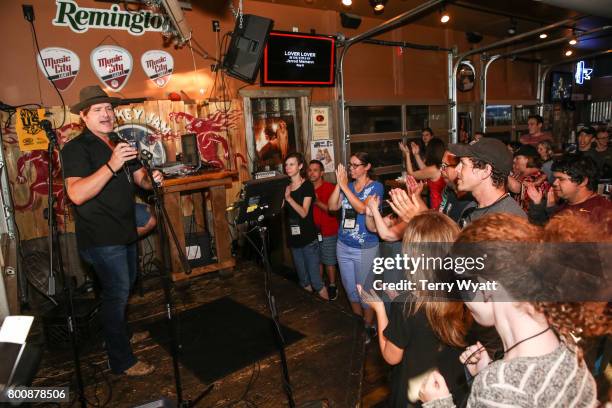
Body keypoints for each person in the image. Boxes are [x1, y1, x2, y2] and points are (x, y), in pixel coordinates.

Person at [419, 213, 602, 407]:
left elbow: (508, 393)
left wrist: (438, 403)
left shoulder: (499, 387)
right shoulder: (569, 347)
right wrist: (488, 370)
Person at [62, 85, 163, 376]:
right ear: (84, 116)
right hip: (101, 237)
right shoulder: (75, 149)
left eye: (108, 108)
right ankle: (121, 360)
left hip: (124, 229)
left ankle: (119, 332)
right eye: (98, 110)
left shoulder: (116, 140)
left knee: (123, 288)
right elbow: (77, 194)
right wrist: (111, 165)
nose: (106, 114)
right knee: (116, 293)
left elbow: (138, 177)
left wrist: (151, 180)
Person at [359, 212, 471, 408]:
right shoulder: (466, 293)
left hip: (417, 392)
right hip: (452, 386)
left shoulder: (408, 304)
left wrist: (379, 309)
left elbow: (391, 357)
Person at [328, 152, 383, 340]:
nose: (351, 168)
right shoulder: (347, 186)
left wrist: (344, 186)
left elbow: (362, 208)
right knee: (351, 290)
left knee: (365, 293)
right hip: (343, 245)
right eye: (350, 165)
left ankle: (369, 326)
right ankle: (359, 324)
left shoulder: (376, 187)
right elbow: (332, 206)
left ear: (367, 167)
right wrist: (339, 184)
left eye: (355, 165)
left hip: (365, 247)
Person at [447, 138, 525, 228]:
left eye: (463, 164)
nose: (457, 169)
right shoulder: (471, 208)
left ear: (486, 171)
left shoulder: (509, 222)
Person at [284, 153, 328, 300]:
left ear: (300, 166)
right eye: (286, 165)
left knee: (316, 282)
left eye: (292, 164)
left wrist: (289, 199)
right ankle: (313, 313)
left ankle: (329, 312)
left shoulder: (307, 185)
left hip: (308, 240)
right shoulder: (286, 187)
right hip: (294, 239)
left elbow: (304, 213)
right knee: (303, 281)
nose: (288, 168)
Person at [527, 154, 612, 229]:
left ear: (582, 181)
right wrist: (537, 205)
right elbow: (544, 235)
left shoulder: (604, 212)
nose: (555, 183)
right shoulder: (562, 207)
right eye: (555, 178)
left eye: (561, 179)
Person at [308, 159, 339, 300]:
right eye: (309, 170)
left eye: (315, 170)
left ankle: (332, 285)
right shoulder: (306, 188)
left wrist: (316, 201)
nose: (311, 173)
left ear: (322, 173)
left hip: (328, 230)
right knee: (316, 260)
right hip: (312, 232)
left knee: (329, 261)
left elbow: (332, 211)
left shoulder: (330, 188)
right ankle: (320, 287)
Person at [403, 138, 447, 210]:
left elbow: (411, 174)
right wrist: (416, 154)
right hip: (442, 204)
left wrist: (407, 154)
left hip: (437, 206)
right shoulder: (440, 166)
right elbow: (424, 169)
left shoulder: (434, 169)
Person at [508, 145, 549, 212]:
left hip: (530, 218)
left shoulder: (538, 176)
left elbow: (517, 189)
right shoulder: (519, 174)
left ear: (527, 159)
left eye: (517, 158)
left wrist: (503, 170)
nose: (514, 160)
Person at [439, 151, 475, 223]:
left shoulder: (473, 201)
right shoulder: (448, 190)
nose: (440, 170)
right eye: (441, 165)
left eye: (445, 165)